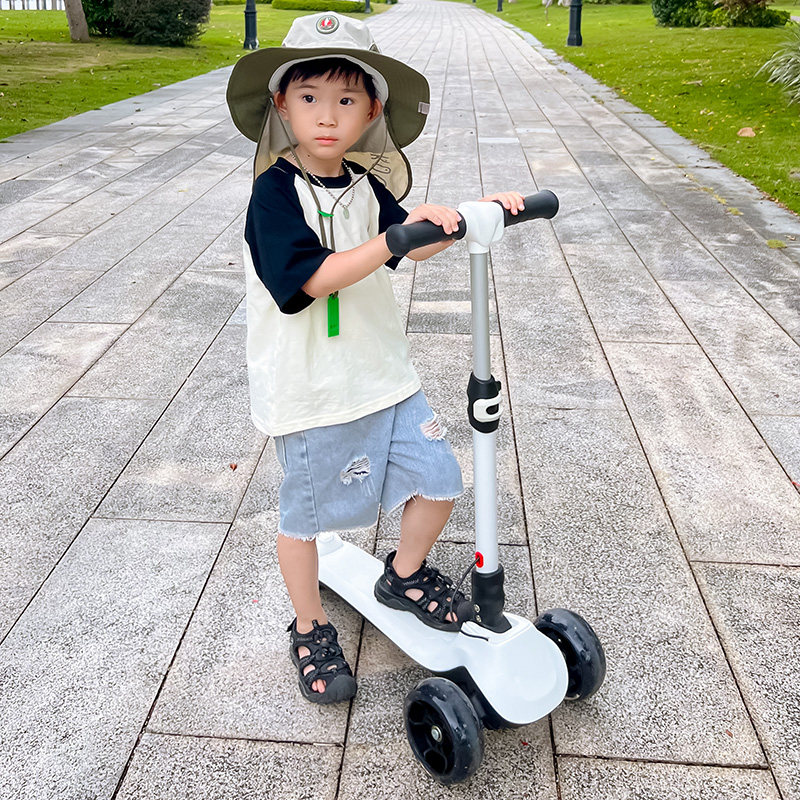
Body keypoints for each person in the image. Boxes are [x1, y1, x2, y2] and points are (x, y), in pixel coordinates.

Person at [226, 12, 526, 705]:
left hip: (384, 376)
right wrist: (393, 242)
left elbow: (411, 239)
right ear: (281, 106)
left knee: (442, 480)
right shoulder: (273, 194)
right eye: (309, 98)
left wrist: (473, 215)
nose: (326, 116)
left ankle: (406, 573)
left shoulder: (362, 183)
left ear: (370, 112)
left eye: (345, 100)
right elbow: (312, 278)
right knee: (304, 518)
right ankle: (308, 626)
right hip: (312, 389)